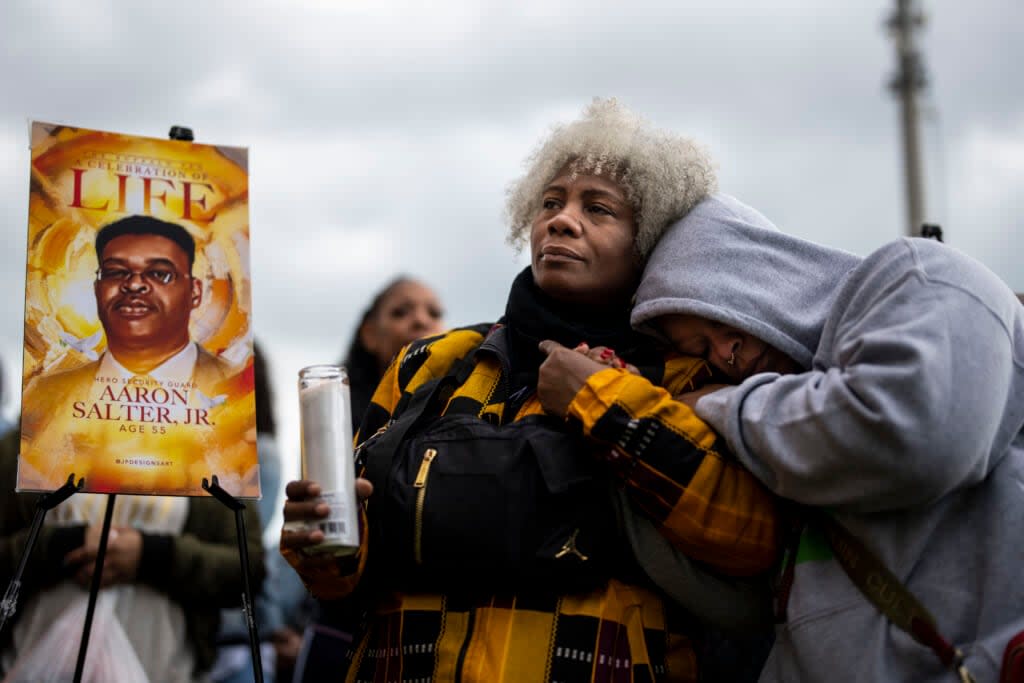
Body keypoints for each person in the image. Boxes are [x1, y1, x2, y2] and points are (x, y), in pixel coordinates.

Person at [281, 98, 779, 682]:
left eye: (598, 209)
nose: (561, 220)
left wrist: (603, 402)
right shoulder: (430, 363)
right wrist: (321, 543)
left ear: (651, 242)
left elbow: (749, 537)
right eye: (550, 202)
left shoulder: (686, 377)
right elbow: (349, 567)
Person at [627, 193, 1024, 682]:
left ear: (759, 274)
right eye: (703, 350)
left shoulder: (918, 276)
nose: (726, 355)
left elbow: (911, 438)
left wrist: (719, 403)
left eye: (718, 320)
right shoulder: (782, 448)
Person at [0, 422, 265, 682]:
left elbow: (248, 567)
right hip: (32, 664)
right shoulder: (35, 430)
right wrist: (63, 545)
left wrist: (153, 555)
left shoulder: (211, 441)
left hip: (165, 670)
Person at [18, 214, 249, 494]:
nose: (134, 285)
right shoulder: (43, 396)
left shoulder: (239, 400)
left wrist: (155, 541)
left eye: (159, 273)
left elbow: (241, 533)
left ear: (195, 292)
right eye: (115, 272)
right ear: (97, 290)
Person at [341, 276, 446, 430]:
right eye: (401, 312)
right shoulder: (340, 422)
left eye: (434, 313)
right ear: (370, 334)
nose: (421, 320)